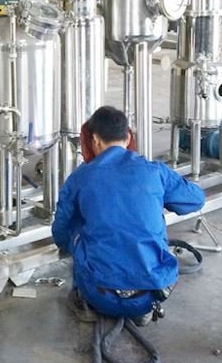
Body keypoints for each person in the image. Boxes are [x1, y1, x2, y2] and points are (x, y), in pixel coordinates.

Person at [52, 106, 205, 324]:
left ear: (94, 140)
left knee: (78, 227)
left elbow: (60, 233)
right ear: (128, 137)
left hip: (99, 294)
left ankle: (84, 302)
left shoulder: (80, 178)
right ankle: (139, 309)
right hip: (153, 291)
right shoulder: (155, 171)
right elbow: (196, 200)